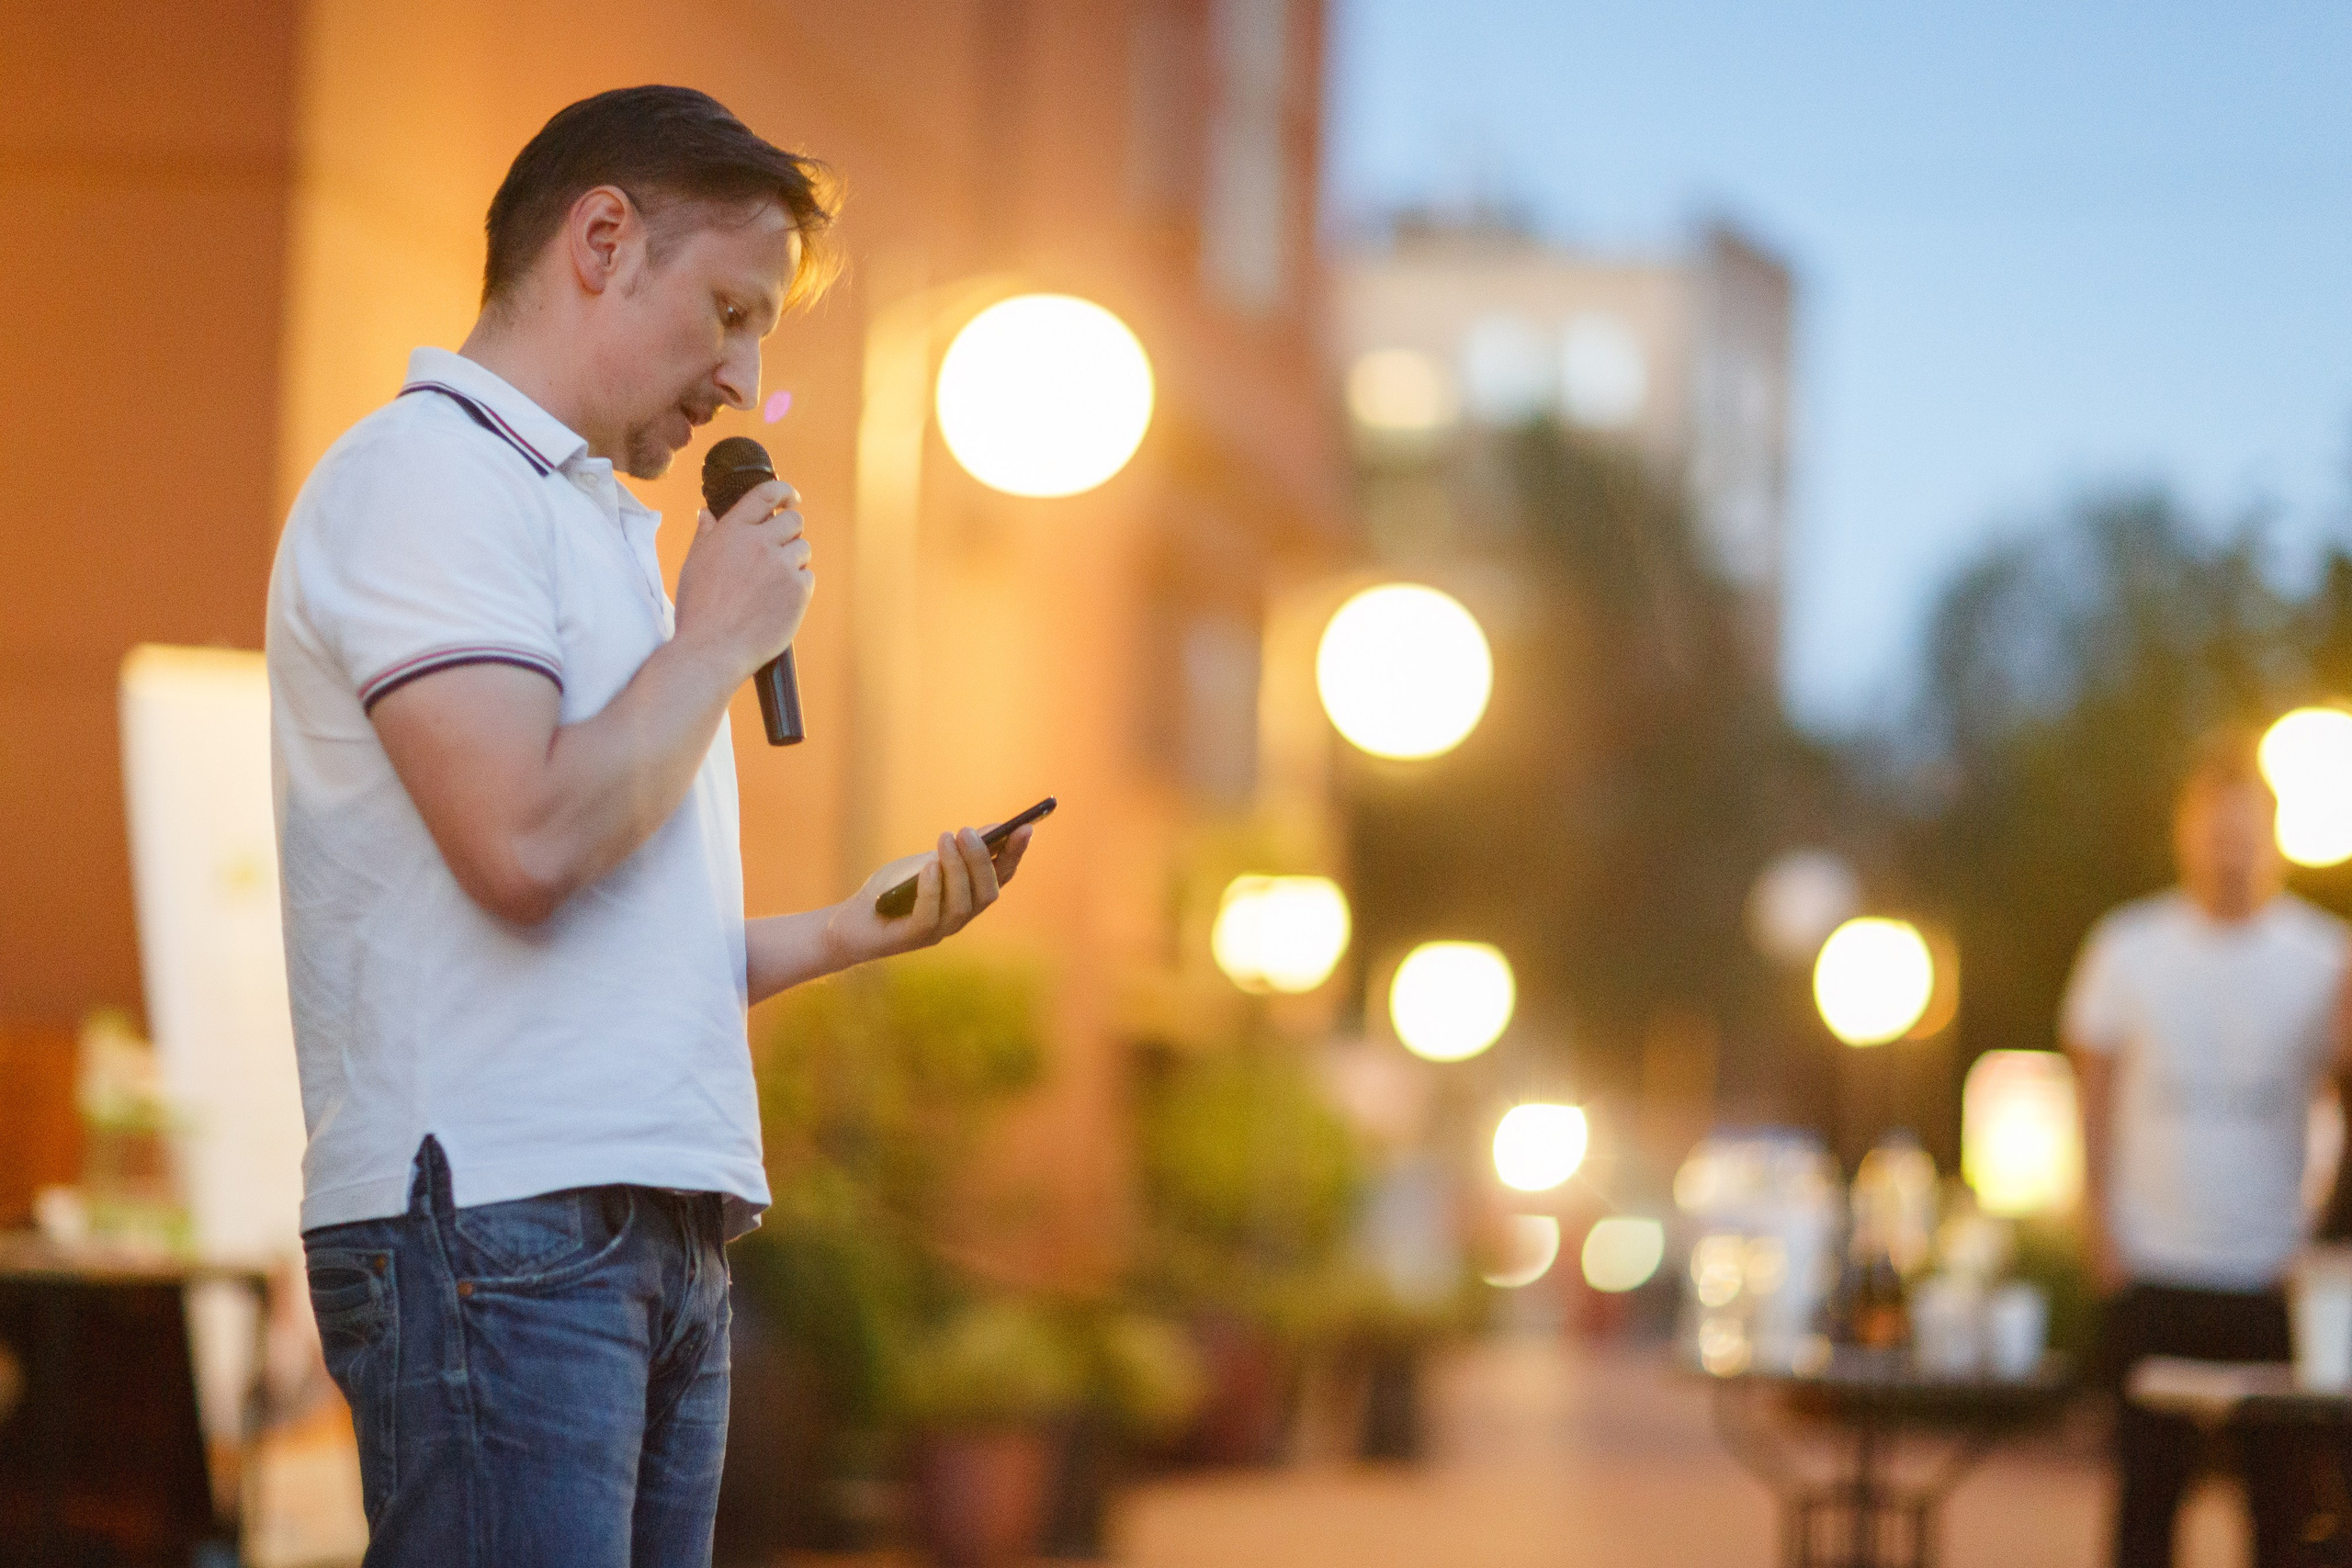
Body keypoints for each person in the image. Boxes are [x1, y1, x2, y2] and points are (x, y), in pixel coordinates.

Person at [266, 86, 1036, 1567]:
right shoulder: (428, 472)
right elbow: (529, 846)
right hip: (498, 1218)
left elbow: (597, 927)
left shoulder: (590, 524)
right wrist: (714, 643)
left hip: (640, 1230)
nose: (747, 379)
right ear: (602, 240)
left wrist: (854, 925)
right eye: (731, 311)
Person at [2064, 728, 2352, 1568]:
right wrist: (2099, 1231)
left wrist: (2321, 1246)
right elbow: (2091, 1096)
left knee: (2284, 1513)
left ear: (2273, 836)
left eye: (2244, 833)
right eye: (2214, 832)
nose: (2230, 851)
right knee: (2146, 1508)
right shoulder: (2127, 948)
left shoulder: (2326, 956)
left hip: (2272, 1273)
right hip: (2154, 1263)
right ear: (2186, 833)